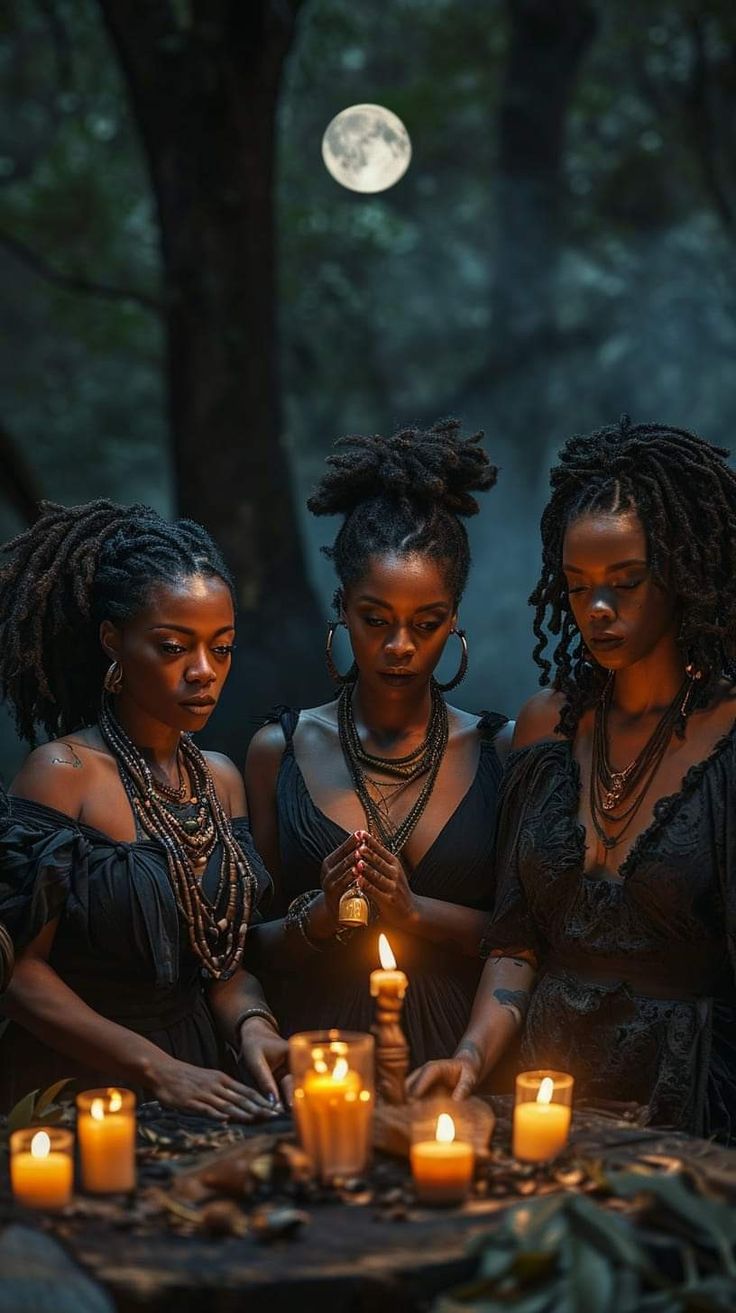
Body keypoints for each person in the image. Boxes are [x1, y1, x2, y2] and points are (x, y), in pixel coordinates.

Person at [409, 417, 736, 1141]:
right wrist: (468, 1056)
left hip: (692, 1103)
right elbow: (516, 944)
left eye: (625, 582)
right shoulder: (546, 728)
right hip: (547, 1095)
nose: (597, 609)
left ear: (684, 573)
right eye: (579, 584)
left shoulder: (727, 737)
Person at [242, 419, 512, 1082]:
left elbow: (526, 940)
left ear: (454, 620)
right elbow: (245, 948)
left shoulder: (500, 750)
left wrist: (415, 912)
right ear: (343, 608)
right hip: (323, 1064)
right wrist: (322, 916)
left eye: (426, 624)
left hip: (457, 1065)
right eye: (375, 619)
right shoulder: (277, 750)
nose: (399, 646)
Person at [0, 500, 284, 1120]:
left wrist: (255, 1027)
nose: (204, 672)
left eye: (223, 647)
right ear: (113, 642)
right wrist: (156, 1069)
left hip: (203, 1074)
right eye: (174, 646)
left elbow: (222, 964)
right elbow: (19, 974)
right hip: (81, 1085)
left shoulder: (220, 779)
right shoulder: (61, 775)